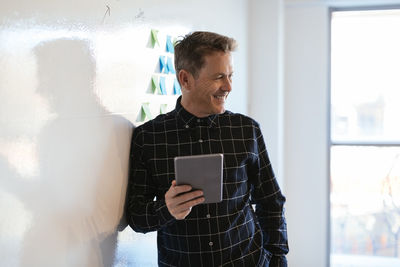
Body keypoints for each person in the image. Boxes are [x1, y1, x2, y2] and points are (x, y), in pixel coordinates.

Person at [126, 31, 289, 266]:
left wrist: (278, 260)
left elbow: (271, 201)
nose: (229, 86)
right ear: (185, 79)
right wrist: (166, 208)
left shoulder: (246, 129)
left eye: (231, 75)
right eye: (219, 77)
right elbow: (136, 216)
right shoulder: (148, 137)